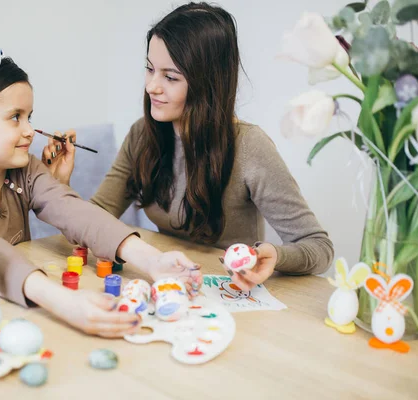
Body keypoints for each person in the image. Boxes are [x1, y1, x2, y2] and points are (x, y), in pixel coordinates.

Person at [0, 48, 201, 338]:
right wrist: (64, 302)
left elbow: (76, 213)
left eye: (29, 116)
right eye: (15, 117)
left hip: (16, 313)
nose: (29, 130)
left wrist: (151, 261)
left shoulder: (26, 171)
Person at [46, 3, 334, 291]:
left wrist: (274, 255)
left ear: (207, 84)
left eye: (170, 77)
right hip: (170, 288)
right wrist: (59, 186)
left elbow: (319, 248)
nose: (152, 87)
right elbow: (95, 223)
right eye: (150, 69)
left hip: (231, 297)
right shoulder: (142, 136)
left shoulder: (250, 147)